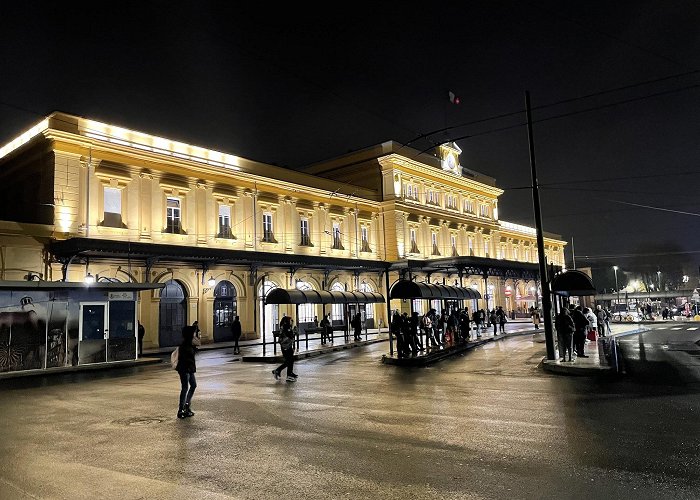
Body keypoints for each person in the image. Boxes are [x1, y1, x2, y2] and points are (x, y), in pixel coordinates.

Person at [176, 325, 198, 419]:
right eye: (193, 333)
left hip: (189, 369)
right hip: (185, 370)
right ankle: (181, 409)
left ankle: (187, 406)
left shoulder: (189, 344)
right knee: (185, 388)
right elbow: (185, 359)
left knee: (193, 385)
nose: (194, 334)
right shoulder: (185, 345)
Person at [273, 316, 297, 382]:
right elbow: (289, 335)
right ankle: (287, 374)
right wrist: (293, 331)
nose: (291, 321)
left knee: (290, 360)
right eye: (290, 320)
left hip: (287, 345)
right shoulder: (286, 327)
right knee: (289, 360)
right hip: (286, 346)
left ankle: (287, 373)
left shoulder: (286, 326)